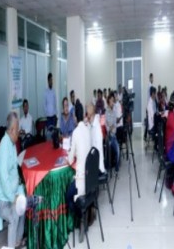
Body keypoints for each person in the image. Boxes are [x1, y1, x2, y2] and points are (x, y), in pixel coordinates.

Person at [0, 112, 26, 248]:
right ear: (11, 130)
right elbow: (4, 179)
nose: (18, 133)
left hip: (10, 193)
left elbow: (13, 170)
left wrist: (18, 193)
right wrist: (13, 198)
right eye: (17, 130)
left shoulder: (11, 144)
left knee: (23, 205)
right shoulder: (5, 147)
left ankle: (17, 241)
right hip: (1, 200)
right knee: (13, 215)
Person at [66, 101, 91, 242]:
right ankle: (85, 214)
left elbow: (70, 160)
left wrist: (69, 154)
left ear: (75, 117)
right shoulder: (88, 130)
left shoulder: (75, 133)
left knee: (67, 195)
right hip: (90, 179)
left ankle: (80, 217)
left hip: (81, 180)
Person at [88, 102, 106, 174]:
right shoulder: (91, 124)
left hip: (98, 166)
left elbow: (97, 149)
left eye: (87, 114)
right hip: (94, 160)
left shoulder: (97, 128)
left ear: (90, 115)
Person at [105, 92, 121, 173]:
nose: (113, 102)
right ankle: (113, 167)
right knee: (116, 150)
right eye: (111, 100)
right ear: (108, 101)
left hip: (114, 134)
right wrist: (111, 126)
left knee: (118, 150)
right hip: (110, 136)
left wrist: (112, 125)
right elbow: (107, 126)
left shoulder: (114, 110)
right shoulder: (107, 111)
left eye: (113, 100)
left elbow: (114, 124)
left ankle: (116, 167)